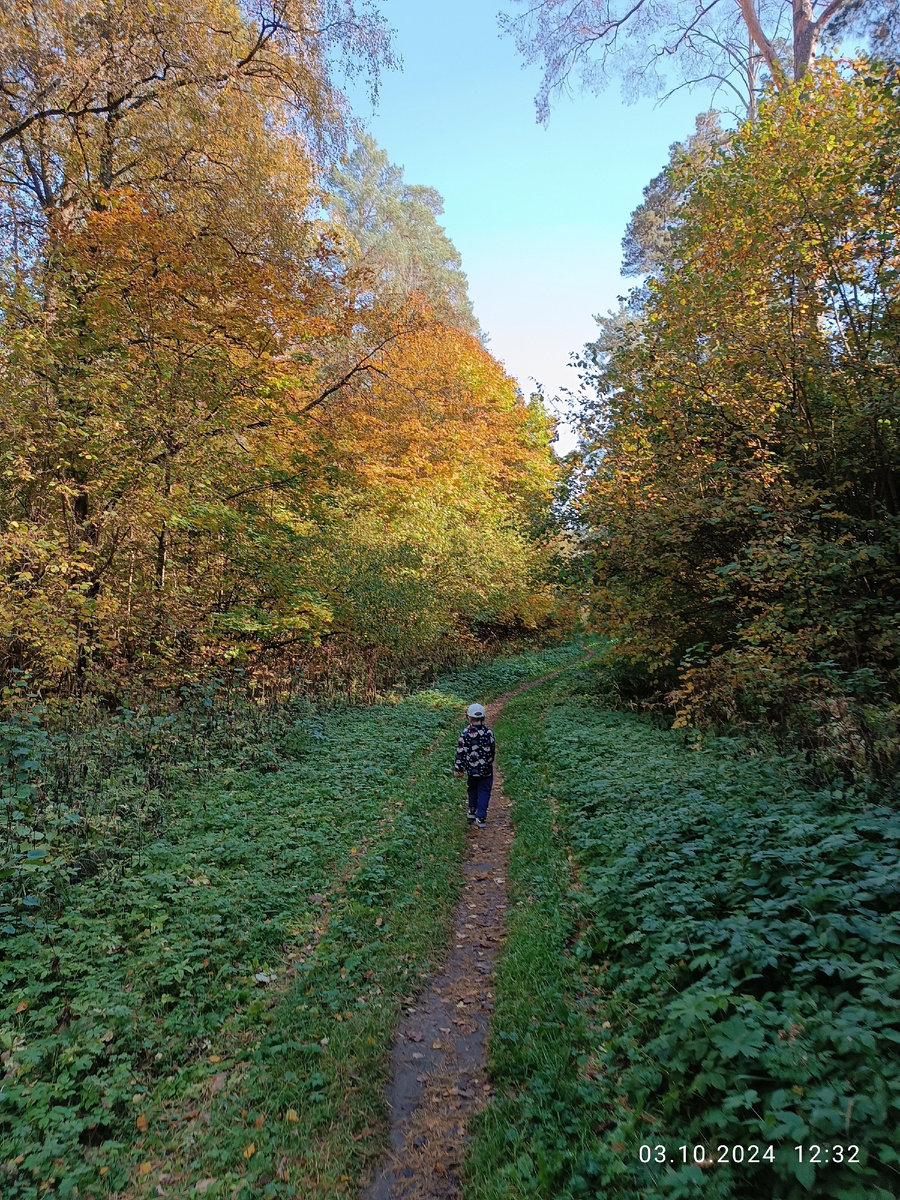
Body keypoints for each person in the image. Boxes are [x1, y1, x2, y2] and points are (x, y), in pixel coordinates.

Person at [453, 702, 495, 829]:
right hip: (486, 770)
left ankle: (472, 810)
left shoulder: (465, 733)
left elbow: (460, 751)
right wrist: (489, 762)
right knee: (484, 791)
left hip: (471, 770)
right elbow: (492, 750)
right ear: (483, 718)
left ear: (469, 718)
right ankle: (481, 817)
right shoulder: (488, 733)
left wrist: (458, 768)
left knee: (472, 789)